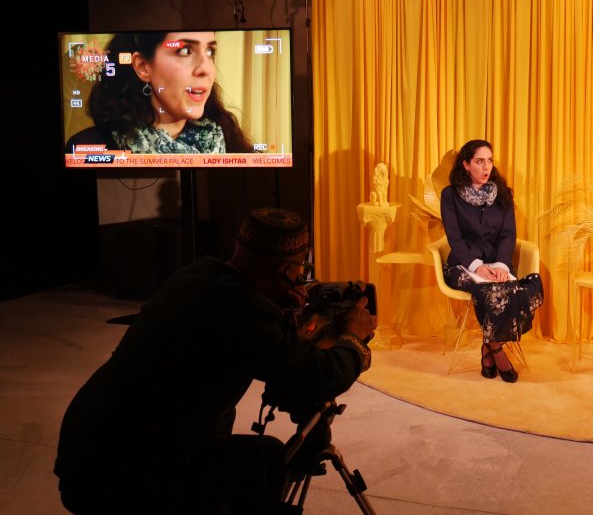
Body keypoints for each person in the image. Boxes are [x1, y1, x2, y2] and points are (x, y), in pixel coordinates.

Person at [54, 207, 376, 514]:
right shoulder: (246, 311)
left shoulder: (199, 273)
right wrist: (353, 337)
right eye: (300, 270)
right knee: (266, 462)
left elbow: (236, 332)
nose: (302, 280)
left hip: (86, 447)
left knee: (223, 424)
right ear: (282, 272)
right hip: (124, 474)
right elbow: (320, 375)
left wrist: (277, 312)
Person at [439, 139, 544, 383]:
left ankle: (487, 346)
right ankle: (496, 349)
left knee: (521, 287)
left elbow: (508, 235)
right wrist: (478, 266)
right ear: (466, 165)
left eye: (489, 160)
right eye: (479, 161)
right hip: (463, 266)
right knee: (488, 292)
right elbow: (454, 238)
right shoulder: (450, 195)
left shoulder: (503, 194)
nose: (486, 167)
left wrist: (499, 266)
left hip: (497, 264)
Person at [65, 31, 254, 154]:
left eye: (210, 52)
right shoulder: (88, 147)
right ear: (143, 66)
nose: (205, 69)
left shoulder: (231, 143)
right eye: (185, 50)